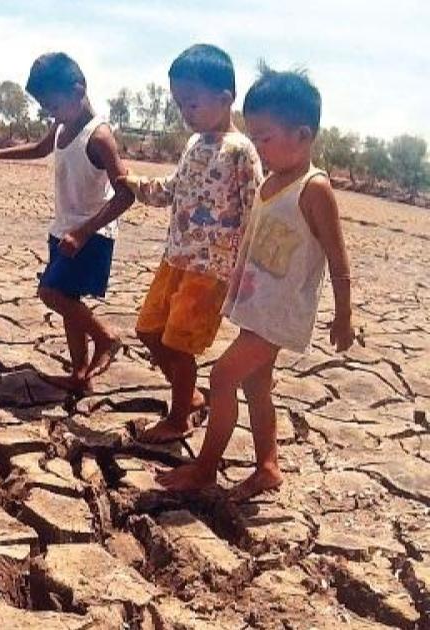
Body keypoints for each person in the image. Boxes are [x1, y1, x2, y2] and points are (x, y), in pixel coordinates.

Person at [157, 65, 354, 500]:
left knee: (222, 378)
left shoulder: (313, 188)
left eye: (265, 137)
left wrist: (344, 313)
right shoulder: (271, 181)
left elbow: (338, 257)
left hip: (279, 314)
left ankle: (206, 468)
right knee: (255, 387)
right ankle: (268, 466)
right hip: (256, 306)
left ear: (302, 136)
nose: (258, 146)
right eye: (255, 135)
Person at [123, 44, 264, 443]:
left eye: (193, 103)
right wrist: (133, 183)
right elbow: (171, 190)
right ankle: (191, 397)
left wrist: (247, 272)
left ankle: (179, 415)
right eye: (180, 104)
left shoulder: (242, 151)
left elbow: (255, 212)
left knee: (180, 345)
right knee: (149, 331)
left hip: (212, 270)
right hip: (176, 259)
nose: (186, 112)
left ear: (225, 99)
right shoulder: (194, 144)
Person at [0, 53, 134, 393]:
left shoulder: (99, 136)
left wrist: (85, 230)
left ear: (77, 92)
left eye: (53, 105)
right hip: (64, 229)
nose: (50, 113)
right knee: (68, 301)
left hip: (90, 234)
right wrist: (0, 154)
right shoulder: (64, 124)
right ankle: (79, 376)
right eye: (45, 107)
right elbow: (42, 148)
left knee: (51, 292)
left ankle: (106, 338)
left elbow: (125, 195)